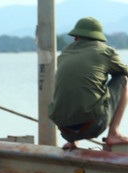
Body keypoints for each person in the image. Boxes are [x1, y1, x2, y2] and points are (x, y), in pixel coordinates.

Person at [49, 17, 128, 149]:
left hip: (64, 131)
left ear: (76, 38)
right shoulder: (105, 51)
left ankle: (72, 142)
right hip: (93, 126)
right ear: (99, 39)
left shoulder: (65, 53)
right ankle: (114, 133)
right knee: (123, 79)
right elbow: (125, 72)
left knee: (75, 84)